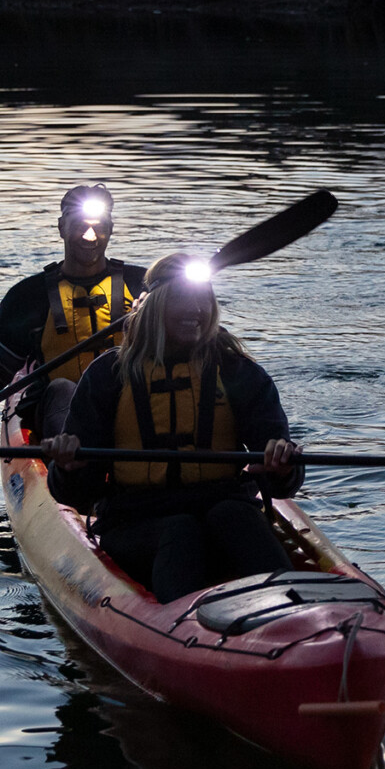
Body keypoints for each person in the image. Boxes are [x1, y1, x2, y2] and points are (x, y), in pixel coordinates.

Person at [39, 252, 303, 604]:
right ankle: (185, 624)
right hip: (136, 523)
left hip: (222, 509)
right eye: (182, 299)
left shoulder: (236, 371)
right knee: (181, 530)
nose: (195, 309)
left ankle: (292, 609)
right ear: (154, 305)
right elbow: (74, 495)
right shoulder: (108, 376)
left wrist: (283, 466)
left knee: (236, 515)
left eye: (202, 299)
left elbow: (281, 478)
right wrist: (70, 467)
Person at [0, 184, 146, 437]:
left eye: (99, 226)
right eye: (80, 225)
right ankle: (71, 466)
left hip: (133, 411)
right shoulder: (29, 297)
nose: (90, 235)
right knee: (61, 388)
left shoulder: (143, 285)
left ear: (111, 230)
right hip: (60, 421)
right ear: (61, 228)